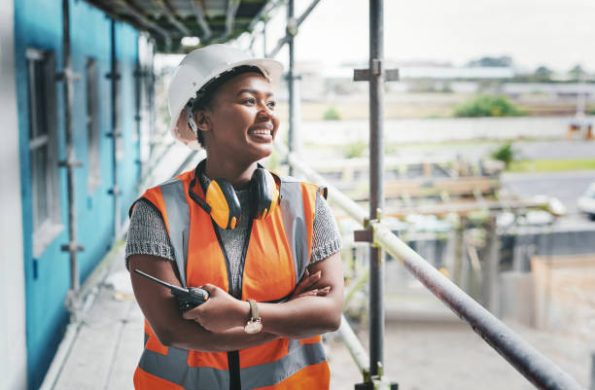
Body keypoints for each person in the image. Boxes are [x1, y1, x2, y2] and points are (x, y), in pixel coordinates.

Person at [126, 44, 344, 390]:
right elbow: (171, 329)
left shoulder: (308, 205)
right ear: (203, 119)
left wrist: (242, 314)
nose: (266, 113)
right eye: (248, 101)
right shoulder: (155, 213)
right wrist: (289, 314)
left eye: (270, 103)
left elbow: (329, 314)